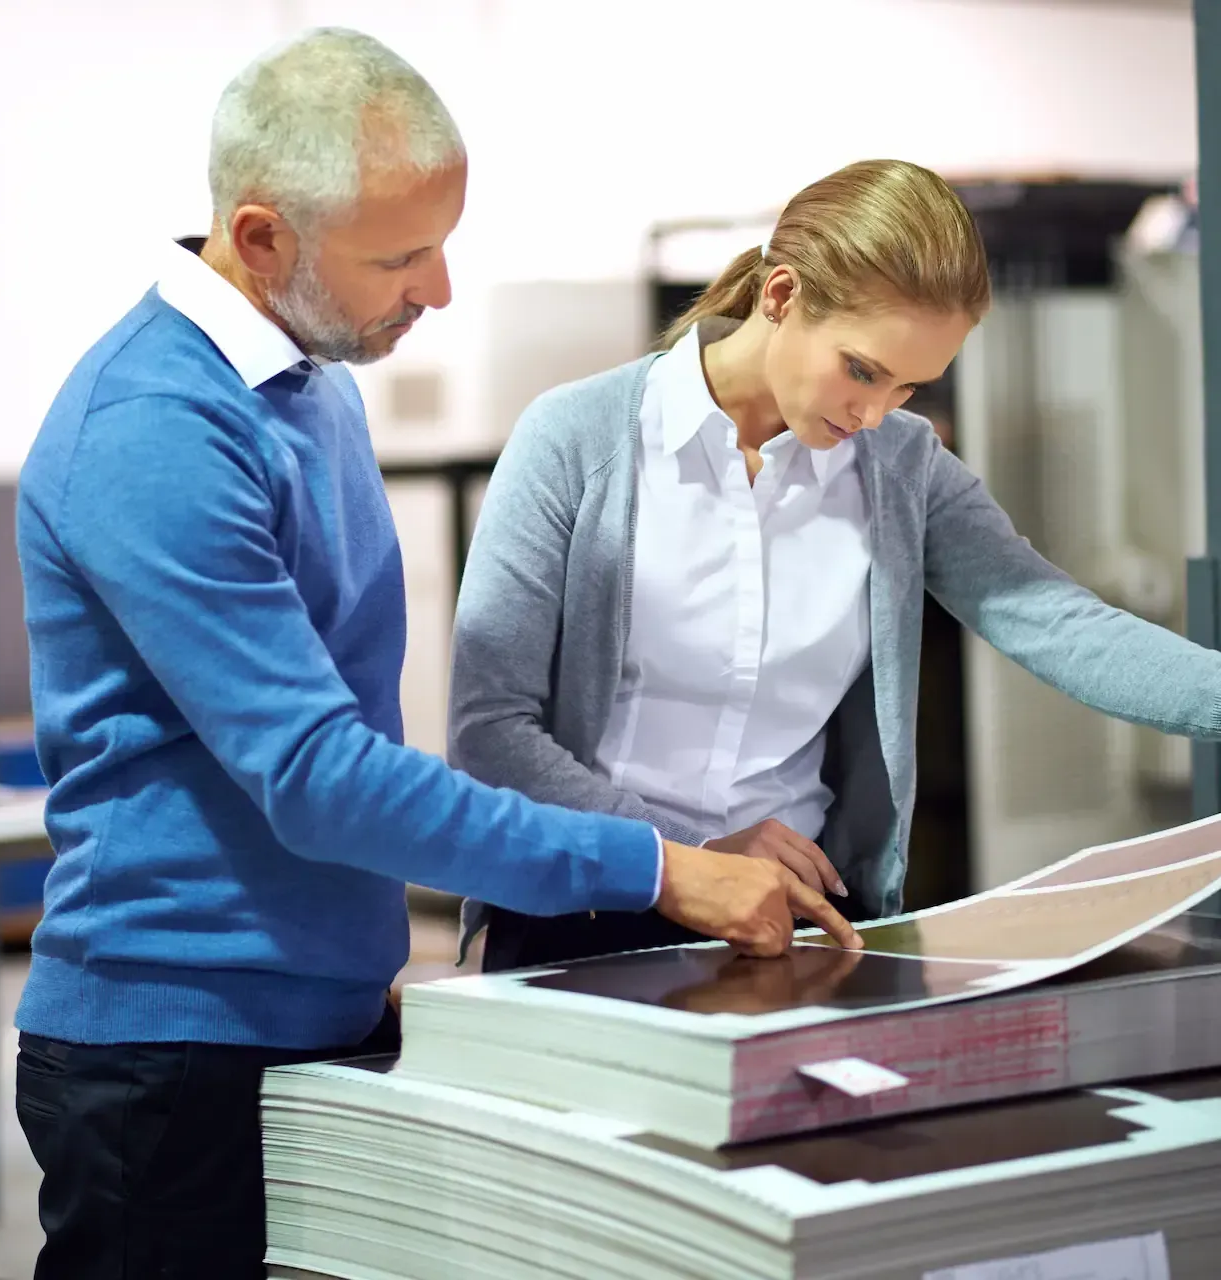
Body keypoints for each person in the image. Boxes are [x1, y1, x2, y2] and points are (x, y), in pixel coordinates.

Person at [12, 29, 860, 1280]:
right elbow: (318, 775)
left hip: (307, 1021)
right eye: (400, 256)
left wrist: (363, 976)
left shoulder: (307, 383)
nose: (440, 288)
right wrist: (655, 865)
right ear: (259, 240)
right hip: (170, 1061)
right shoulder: (156, 430)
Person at [449, 157, 1221, 974]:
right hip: (592, 905)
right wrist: (688, 852)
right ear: (781, 297)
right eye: (862, 370)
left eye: (910, 388)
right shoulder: (576, 439)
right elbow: (491, 731)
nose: (875, 412)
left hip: (803, 919)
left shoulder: (899, 466)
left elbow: (1064, 625)